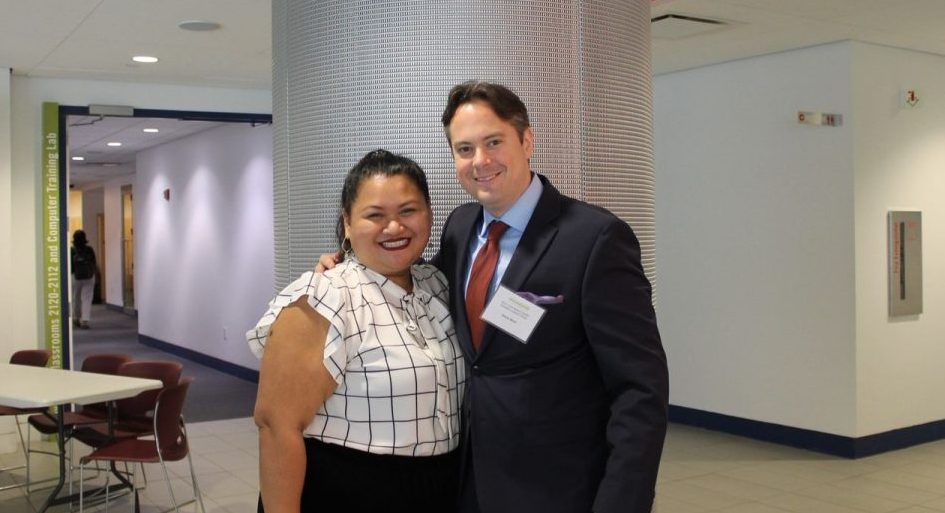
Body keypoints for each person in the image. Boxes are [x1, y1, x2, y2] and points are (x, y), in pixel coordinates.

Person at [319, 81, 669, 512]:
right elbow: (419, 280)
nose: (480, 161)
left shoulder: (594, 239)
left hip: (560, 490)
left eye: (493, 142)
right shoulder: (460, 228)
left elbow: (640, 391)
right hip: (470, 485)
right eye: (464, 149)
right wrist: (348, 261)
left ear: (526, 140)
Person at [248, 150, 465, 513]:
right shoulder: (323, 297)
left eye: (408, 211)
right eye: (375, 215)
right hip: (345, 492)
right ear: (347, 223)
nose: (394, 227)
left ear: (429, 214)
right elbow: (276, 427)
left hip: (440, 489)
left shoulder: (438, 285)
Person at [71, 229, 96, 329]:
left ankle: (76, 318)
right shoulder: (89, 249)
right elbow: (94, 262)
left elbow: (69, 265)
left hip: (75, 277)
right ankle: (85, 320)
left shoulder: (72, 250)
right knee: (87, 298)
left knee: (76, 298)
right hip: (89, 276)